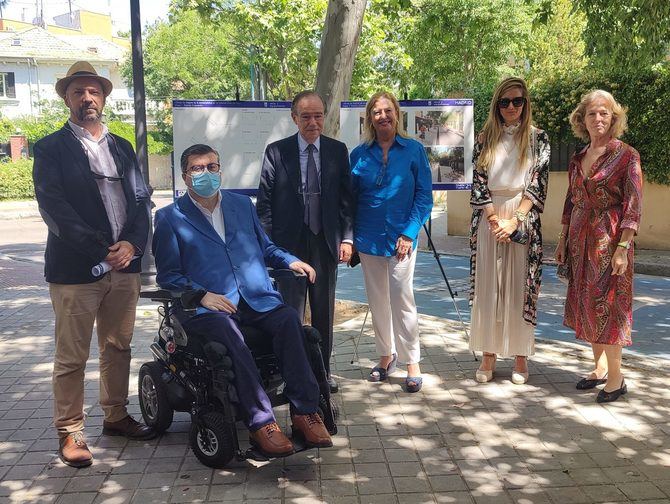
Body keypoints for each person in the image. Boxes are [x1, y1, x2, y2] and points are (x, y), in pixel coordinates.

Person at [153, 143, 333, 457]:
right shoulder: (170, 218)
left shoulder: (241, 205)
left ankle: (305, 411)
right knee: (230, 336)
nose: (206, 173)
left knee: (290, 320)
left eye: (211, 166)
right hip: (208, 307)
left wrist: (289, 260)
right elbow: (168, 275)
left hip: (256, 298)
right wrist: (202, 295)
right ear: (185, 176)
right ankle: (261, 420)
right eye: (197, 168)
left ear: (220, 170)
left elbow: (265, 247)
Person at [32, 61, 154, 468]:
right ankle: (70, 431)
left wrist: (133, 245)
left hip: (125, 266)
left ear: (103, 97)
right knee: (72, 356)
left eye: (94, 91)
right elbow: (55, 210)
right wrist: (103, 249)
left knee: (117, 347)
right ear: (67, 98)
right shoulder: (50, 148)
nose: (87, 98)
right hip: (76, 270)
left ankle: (115, 415)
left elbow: (141, 200)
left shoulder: (121, 146)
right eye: (79, 91)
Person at [257, 91, 354, 394]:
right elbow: (265, 204)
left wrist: (348, 238)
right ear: (294, 117)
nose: (313, 122)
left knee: (323, 313)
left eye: (318, 115)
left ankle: (322, 373)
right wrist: (271, 249)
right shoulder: (276, 152)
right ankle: (291, 374)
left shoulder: (338, 151)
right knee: (290, 314)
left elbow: (346, 201)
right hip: (289, 248)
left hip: (325, 243)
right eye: (306, 116)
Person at [555, 90, 642, 403]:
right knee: (586, 302)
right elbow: (571, 199)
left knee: (609, 304)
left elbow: (634, 204)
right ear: (582, 119)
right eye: (592, 113)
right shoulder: (579, 157)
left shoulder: (627, 155)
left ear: (614, 117)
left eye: (604, 113)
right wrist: (563, 238)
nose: (598, 119)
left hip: (610, 239)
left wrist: (623, 247)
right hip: (580, 238)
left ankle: (617, 379)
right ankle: (600, 368)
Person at [349, 91, 433, 393]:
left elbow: (424, 197)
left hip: (402, 241)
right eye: (376, 112)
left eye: (387, 110)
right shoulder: (359, 154)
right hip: (368, 239)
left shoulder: (413, 150)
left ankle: (412, 362)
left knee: (402, 299)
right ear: (369, 118)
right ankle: (386, 356)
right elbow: (351, 198)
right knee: (377, 301)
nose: (382, 116)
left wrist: (409, 233)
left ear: (396, 114)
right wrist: (351, 239)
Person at [469, 77, 550, 385]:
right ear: (497, 106)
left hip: (522, 217)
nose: (512, 107)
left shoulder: (538, 138)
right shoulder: (484, 137)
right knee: (489, 287)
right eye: (505, 102)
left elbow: (538, 182)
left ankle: (520, 355)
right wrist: (492, 218)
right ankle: (489, 353)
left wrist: (515, 220)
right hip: (489, 215)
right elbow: (477, 180)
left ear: (525, 103)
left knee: (519, 287)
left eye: (517, 101)